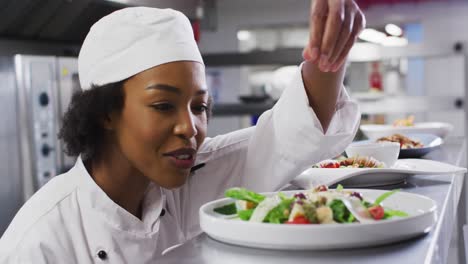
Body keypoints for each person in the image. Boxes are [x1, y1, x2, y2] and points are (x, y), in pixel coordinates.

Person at [0, 0, 365, 262]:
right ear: (106, 112)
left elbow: (295, 131)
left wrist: (330, 51)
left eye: (200, 106)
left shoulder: (193, 180)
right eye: (163, 105)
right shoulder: (39, 242)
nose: (190, 128)